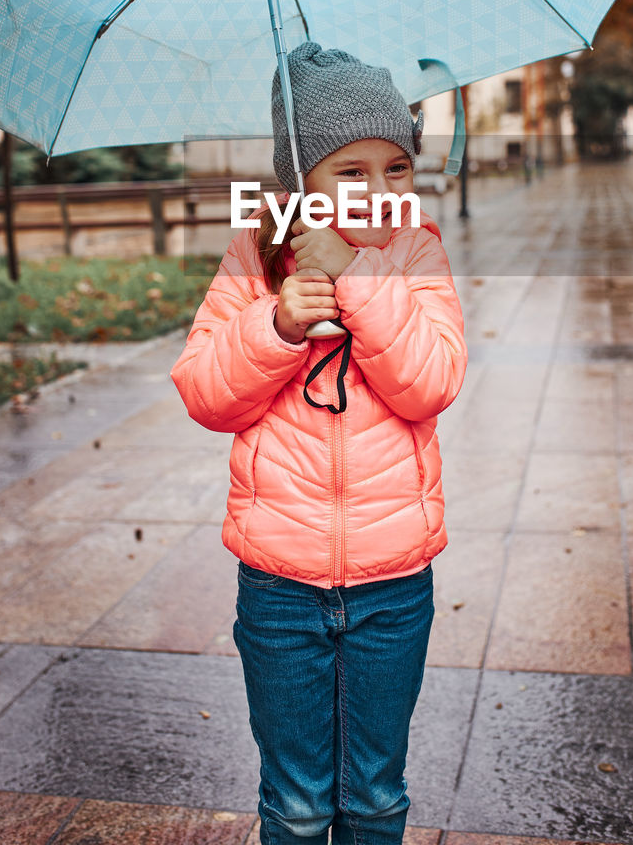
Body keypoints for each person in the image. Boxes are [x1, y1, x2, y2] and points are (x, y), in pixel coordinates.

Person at [171, 41, 467, 845]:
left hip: (392, 582)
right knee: (297, 800)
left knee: (372, 793)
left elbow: (429, 382)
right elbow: (204, 393)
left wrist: (361, 283)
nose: (378, 191)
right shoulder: (256, 258)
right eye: (349, 171)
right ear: (296, 180)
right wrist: (273, 325)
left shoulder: (415, 254)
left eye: (395, 168)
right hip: (278, 585)